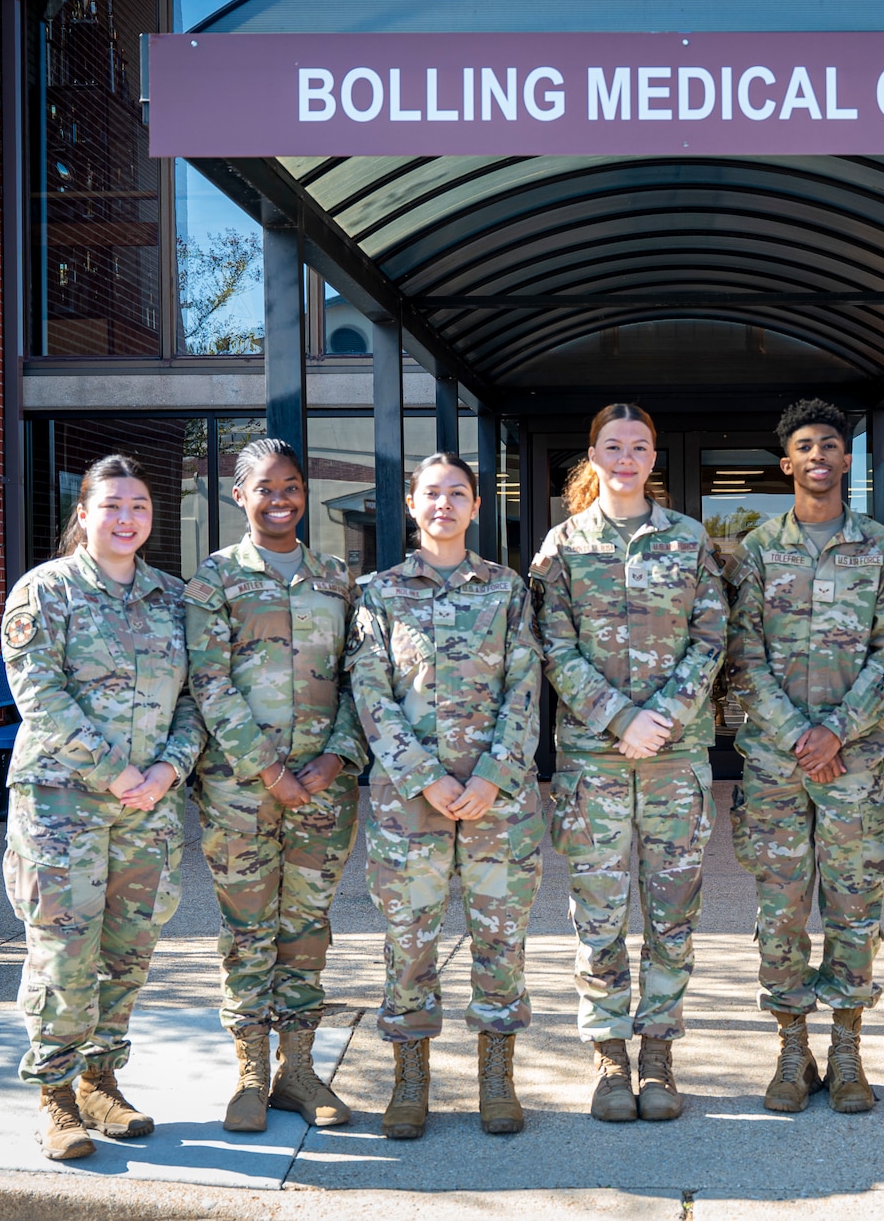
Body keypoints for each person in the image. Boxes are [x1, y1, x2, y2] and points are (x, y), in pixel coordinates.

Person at [0, 454, 205, 1160]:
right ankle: (54, 1094)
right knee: (63, 949)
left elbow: (195, 701)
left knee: (129, 948)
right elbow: (40, 696)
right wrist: (116, 770)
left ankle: (100, 1078)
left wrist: (166, 771)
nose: (126, 518)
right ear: (82, 512)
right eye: (111, 504)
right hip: (62, 803)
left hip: (148, 806)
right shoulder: (44, 593)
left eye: (139, 506)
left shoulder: (174, 598)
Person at [530, 403, 728, 1123]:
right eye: (612, 446)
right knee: (600, 916)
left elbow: (712, 637)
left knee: (675, 914)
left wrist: (662, 718)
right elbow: (552, 644)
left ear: (653, 459)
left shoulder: (688, 539)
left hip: (674, 758)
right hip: (595, 761)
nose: (625, 457)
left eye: (638, 446)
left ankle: (658, 1051)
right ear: (593, 454)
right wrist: (619, 717)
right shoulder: (562, 545)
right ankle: (610, 1056)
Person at [345, 453, 544, 1139]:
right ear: (410, 503)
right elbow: (370, 692)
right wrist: (425, 774)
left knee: (500, 939)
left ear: (478, 505)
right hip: (411, 800)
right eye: (432, 493)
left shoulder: (507, 588)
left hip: (498, 800)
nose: (444, 504)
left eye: (457, 493)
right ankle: (410, 1080)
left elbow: (525, 686)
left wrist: (491, 773)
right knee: (409, 941)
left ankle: (496, 1078)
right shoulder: (380, 592)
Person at [725, 398, 884, 1115]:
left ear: (846, 460)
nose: (819, 457)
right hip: (778, 766)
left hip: (853, 764)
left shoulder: (883, 548)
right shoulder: (758, 547)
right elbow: (744, 655)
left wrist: (836, 731)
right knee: (780, 910)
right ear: (787, 463)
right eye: (805, 445)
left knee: (854, 908)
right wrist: (801, 739)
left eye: (830, 444)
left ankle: (847, 1049)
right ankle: (790, 1049)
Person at [183, 438, 366, 1133]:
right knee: (247, 928)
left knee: (307, 927)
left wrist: (336, 758)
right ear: (240, 495)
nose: (281, 498)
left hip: (324, 789)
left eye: (292, 485)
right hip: (240, 789)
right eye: (266, 487)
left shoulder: (337, 578)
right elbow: (208, 680)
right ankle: (250, 1074)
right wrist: (267, 767)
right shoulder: (215, 580)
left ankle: (298, 1069)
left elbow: (361, 678)